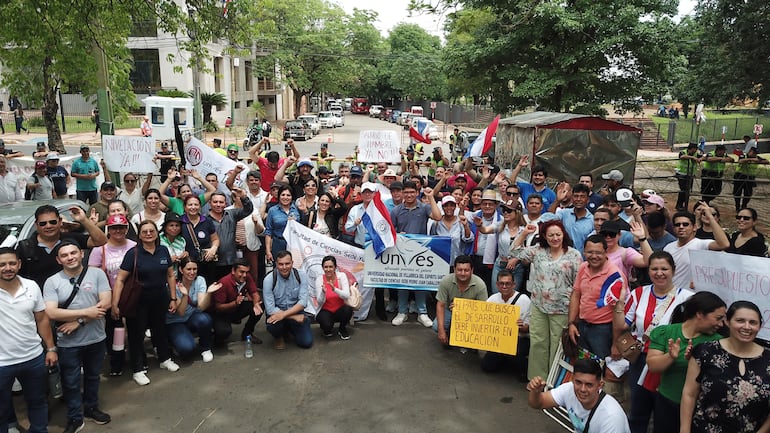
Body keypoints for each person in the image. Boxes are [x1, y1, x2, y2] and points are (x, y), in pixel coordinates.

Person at [613, 251, 694, 433]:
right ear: (648, 271)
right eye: (654, 269)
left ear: (673, 270)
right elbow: (622, 325)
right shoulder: (638, 293)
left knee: (664, 414)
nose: (659, 273)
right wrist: (618, 305)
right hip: (641, 360)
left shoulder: (687, 298)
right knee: (638, 411)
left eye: (664, 269)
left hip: (670, 363)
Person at [43, 241, 112, 432]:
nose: (70, 257)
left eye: (73, 253)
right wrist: (88, 312)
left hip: (96, 337)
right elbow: (52, 313)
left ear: (82, 254)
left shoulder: (97, 274)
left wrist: (79, 321)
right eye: (64, 255)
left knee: (92, 376)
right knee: (71, 381)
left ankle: (91, 407)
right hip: (68, 343)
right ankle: (75, 417)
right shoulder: (52, 281)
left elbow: (106, 302)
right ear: (58, 260)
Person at [681, 301, 770, 433]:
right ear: (727, 321)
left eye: (753, 322)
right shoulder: (705, 351)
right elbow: (689, 394)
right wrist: (684, 430)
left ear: (760, 326)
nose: (747, 327)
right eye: (740, 320)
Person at [111, 220, 180, 386]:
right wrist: (115, 303)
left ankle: (164, 358)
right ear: (139, 235)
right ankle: (138, 369)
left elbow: (170, 275)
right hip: (138, 301)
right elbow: (120, 279)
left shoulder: (163, 250)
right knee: (136, 335)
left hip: (160, 299)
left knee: (160, 330)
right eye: (144, 232)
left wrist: (173, 297)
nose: (148, 234)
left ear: (156, 233)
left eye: (151, 231)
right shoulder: (133, 253)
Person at [645, 291, 726, 433]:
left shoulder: (718, 342)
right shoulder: (666, 332)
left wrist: (695, 364)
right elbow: (653, 366)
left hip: (700, 409)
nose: (721, 324)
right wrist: (670, 357)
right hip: (668, 404)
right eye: (718, 318)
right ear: (700, 314)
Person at [511, 220, 582, 380]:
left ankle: (553, 381)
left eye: (558, 234)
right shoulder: (537, 251)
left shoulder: (574, 255)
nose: (555, 238)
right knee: (538, 342)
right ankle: (537, 379)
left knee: (558, 346)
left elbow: (579, 285)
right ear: (544, 236)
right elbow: (514, 252)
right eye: (551, 235)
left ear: (563, 234)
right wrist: (524, 233)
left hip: (562, 308)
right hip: (539, 306)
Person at [0, 247, 58, 433]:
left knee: (38, 401)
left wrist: (50, 348)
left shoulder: (31, 286)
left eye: (11, 263)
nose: (7, 268)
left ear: (19, 264)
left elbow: (42, 319)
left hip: (33, 357)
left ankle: (39, 430)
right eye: (1, 264)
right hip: (1, 363)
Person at [87, 214, 136, 377]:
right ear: (108, 229)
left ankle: (138, 358)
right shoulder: (99, 249)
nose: (118, 231)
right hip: (109, 297)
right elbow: (92, 275)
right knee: (115, 332)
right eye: (114, 228)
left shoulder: (134, 246)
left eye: (121, 228)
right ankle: (117, 361)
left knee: (136, 329)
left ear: (126, 228)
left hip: (131, 295)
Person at [17, 204, 108, 290]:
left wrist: (84, 220)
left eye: (52, 222)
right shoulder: (25, 247)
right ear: (36, 225)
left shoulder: (70, 238)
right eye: (43, 223)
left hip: (71, 300)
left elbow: (101, 241)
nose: (48, 226)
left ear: (60, 222)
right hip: (39, 301)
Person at [526, 359, 630, 433]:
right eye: (578, 382)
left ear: (600, 385)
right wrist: (535, 392)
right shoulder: (568, 389)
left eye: (589, 385)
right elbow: (538, 403)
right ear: (572, 379)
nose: (582, 389)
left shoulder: (611, 418)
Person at [389, 180, 441, 327]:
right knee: (403, 283)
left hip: (421, 253)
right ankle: (402, 312)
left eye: (412, 192)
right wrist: (398, 234)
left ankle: (422, 313)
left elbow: (438, 217)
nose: (409, 195)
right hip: (402, 253)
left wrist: (431, 197)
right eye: (406, 192)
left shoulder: (424, 208)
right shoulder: (396, 211)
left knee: (420, 283)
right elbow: (390, 232)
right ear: (402, 194)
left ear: (417, 193)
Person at [568, 235, 628, 360]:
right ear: (584, 252)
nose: (594, 256)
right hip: (583, 325)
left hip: (603, 330)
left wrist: (615, 343)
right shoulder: (583, 267)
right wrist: (572, 323)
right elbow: (576, 294)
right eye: (590, 252)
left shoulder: (615, 276)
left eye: (598, 253)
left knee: (600, 367)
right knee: (583, 364)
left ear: (606, 252)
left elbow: (618, 310)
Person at [480, 270, 531, 375]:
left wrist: (521, 327)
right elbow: (481, 318)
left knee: (521, 371)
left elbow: (530, 328)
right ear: (497, 285)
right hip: (499, 338)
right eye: (501, 283)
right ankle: (503, 358)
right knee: (487, 366)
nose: (504, 286)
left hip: (520, 338)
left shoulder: (524, 300)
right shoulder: (492, 299)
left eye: (507, 283)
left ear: (513, 284)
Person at [663, 209, 728, 289]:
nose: (681, 227)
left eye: (685, 224)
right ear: (673, 228)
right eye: (677, 224)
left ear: (694, 227)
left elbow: (724, 244)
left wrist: (710, 218)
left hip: (691, 296)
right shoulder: (668, 247)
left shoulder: (701, 244)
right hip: (670, 294)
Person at [167, 257, 216, 362]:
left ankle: (205, 348)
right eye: (188, 269)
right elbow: (181, 312)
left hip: (191, 317)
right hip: (175, 321)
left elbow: (201, 307)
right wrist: (184, 295)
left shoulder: (200, 280)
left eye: (195, 269)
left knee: (205, 319)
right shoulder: (175, 285)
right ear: (181, 270)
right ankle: (172, 342)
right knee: (187, 349)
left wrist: (209, 293)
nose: (192, 272)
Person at [433, 255, 488, 346]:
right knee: (436, 326)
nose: (462, 273)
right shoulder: (446, 281)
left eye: (466, 270)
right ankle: (448, 337)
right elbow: (440, 305)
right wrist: (441, 330)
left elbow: (484, 309)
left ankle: (468, 340)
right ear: (454, 269)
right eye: (459, 270)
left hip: (472, 314)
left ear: (472, 270)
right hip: (449, 310)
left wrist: (465, 309)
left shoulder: (480, 285)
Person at [262, 251, 312, 350]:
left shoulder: (301, 276)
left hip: (296, 310)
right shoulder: (269, 280)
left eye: (287, 263)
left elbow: (302, 303)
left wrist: (284, 315)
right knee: (273, 323)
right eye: (281, 264)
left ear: (292, 263)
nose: (284, 267)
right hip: (277, 313)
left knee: (306, 342)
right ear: (276, 264)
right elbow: (270, 309)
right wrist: (294, 316)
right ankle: (278, 337)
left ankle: (289, 329)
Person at [211, 259, 263, 345]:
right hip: (221, 313)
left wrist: (256, 303)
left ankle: (247, 333)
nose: (244, 275)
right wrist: (235, 303)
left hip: (236, 308)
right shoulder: (224, 282)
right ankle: (214, 337)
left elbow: (254, 293)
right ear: (233, 271)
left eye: (247, 272)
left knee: (260, 307)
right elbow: (218, 307)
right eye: (241, 272)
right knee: (224, 333)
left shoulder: (248, 277)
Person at [207, 189, 252, 283]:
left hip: (230, 260)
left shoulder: (232, 214)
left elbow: (248, 210)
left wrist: (243, 197)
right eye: (215, 202)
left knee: (230, 287)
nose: (218, 204)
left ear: (225, 204)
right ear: (209, 203)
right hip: (212, 261)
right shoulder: (204, 218)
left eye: (221, 202)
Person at [314, 256, 354, 340]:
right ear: (322, 268)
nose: (328, 269)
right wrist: (323, 293)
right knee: (327, 327)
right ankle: (327, 328)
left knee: (348, 309)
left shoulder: (342, 276)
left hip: (340, 309)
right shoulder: (319, 279)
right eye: (326, 267)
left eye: (331, 267)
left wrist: (335, 289)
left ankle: (342, 329)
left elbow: (346, 295)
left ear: (335, 267)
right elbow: (319, 301)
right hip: (325, 310)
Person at [551, 183, 594, 254]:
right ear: (572, 198)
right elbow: (549, 219)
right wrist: (557, 201)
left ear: (588, 200)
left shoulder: (592, 220)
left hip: (581, 260)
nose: (578, 199)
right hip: (562, 257)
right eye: (576, 196)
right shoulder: (564, 213)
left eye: (582, 196)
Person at [431, 195, 473, 267]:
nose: (449, 208)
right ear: (442, 207)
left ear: (455, 207)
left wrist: (466, 226)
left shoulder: (460, 221)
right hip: (440, 262)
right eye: (446, 206)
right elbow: (433, 241)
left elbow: (468, 239)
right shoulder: (436, 223)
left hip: (458, 262)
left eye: (452, 205)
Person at [264, 185, 300, 264]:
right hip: (278, 243)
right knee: (278, 267)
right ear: (279, 196)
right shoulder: (272, 210)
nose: (285, 197)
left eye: (288, 195)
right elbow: (268, 231)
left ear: (291, 197)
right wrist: (268, 250)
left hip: (294, 244)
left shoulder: (296, 209)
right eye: (283, 195)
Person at [732, 145, 768, 212]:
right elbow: (740, 161)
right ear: (750, 151)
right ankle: (737, 206)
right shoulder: (743, 155)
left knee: (748, 194)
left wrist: (758, 161)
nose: (755, 154)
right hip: (740, 176)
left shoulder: (757, 158)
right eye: (754, 153)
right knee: (737, 193)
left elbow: (766, 161)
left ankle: (744, 206)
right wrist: (751, 159)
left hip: (750, 177)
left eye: (756, 153)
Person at [675, 142, 702, 211]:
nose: (695, 150)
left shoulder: (696, 154)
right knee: (683, 189)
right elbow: (682, 157)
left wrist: (700, 159)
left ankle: (684, 204)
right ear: (691, 148)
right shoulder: (683, 152)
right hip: (681, 173)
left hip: (690, 174)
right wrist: (692, 157)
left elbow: (702, 157)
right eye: (694, 149)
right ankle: (679, 205)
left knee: (688, 190)